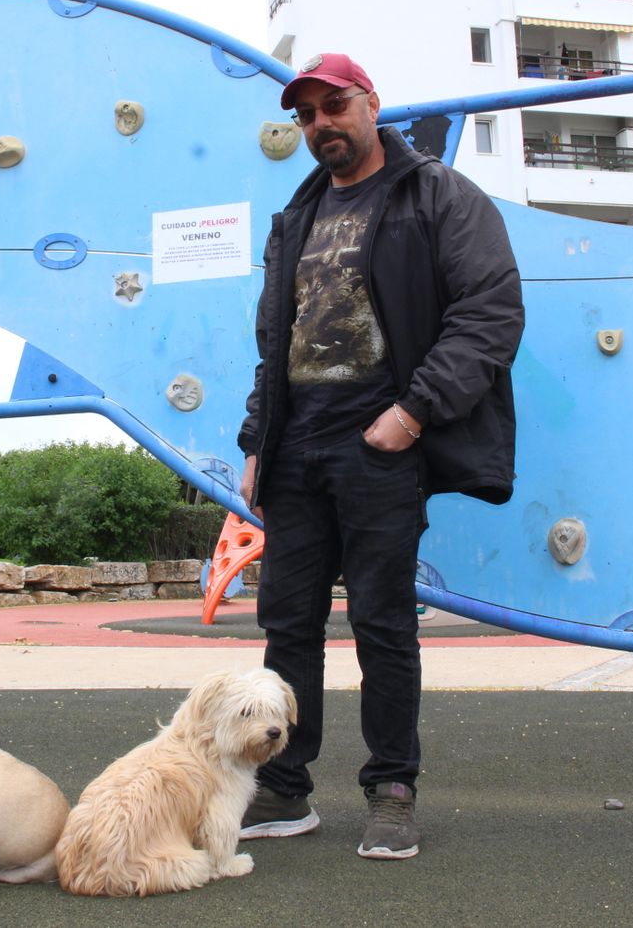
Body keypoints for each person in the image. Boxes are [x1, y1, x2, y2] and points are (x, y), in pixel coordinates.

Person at [235, 53, 524, 860]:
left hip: (379, 442)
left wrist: (412, 413)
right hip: (295, 449)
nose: (320, 125)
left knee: (382, 622)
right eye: (306, 116)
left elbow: (492, 310)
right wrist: (258, 439)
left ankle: (392, 789)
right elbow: (275, 343)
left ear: (370, 104)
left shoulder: (435, 193)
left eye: (334, 107)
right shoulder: (295, 217)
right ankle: (285, 787)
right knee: (287, 625)